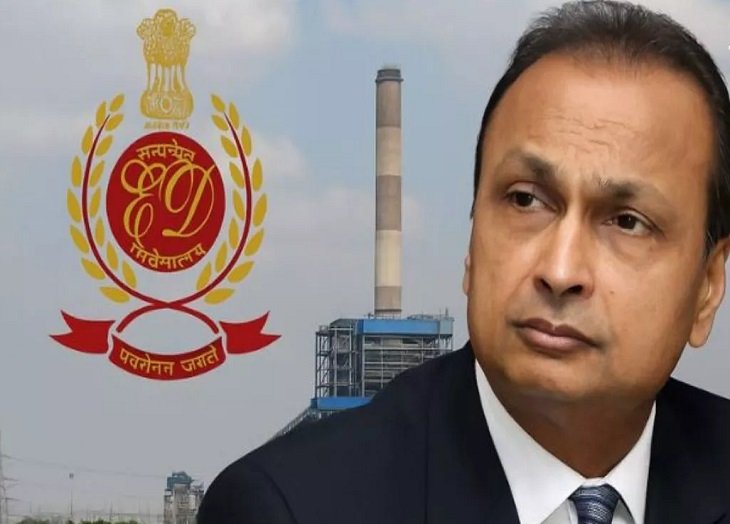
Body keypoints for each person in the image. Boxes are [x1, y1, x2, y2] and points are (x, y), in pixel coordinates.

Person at [197, 1, 730, 522]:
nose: (561, 270)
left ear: (708, 287)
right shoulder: (288, 507)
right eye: (525, 199)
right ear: (472, 246)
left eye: (627, 222)